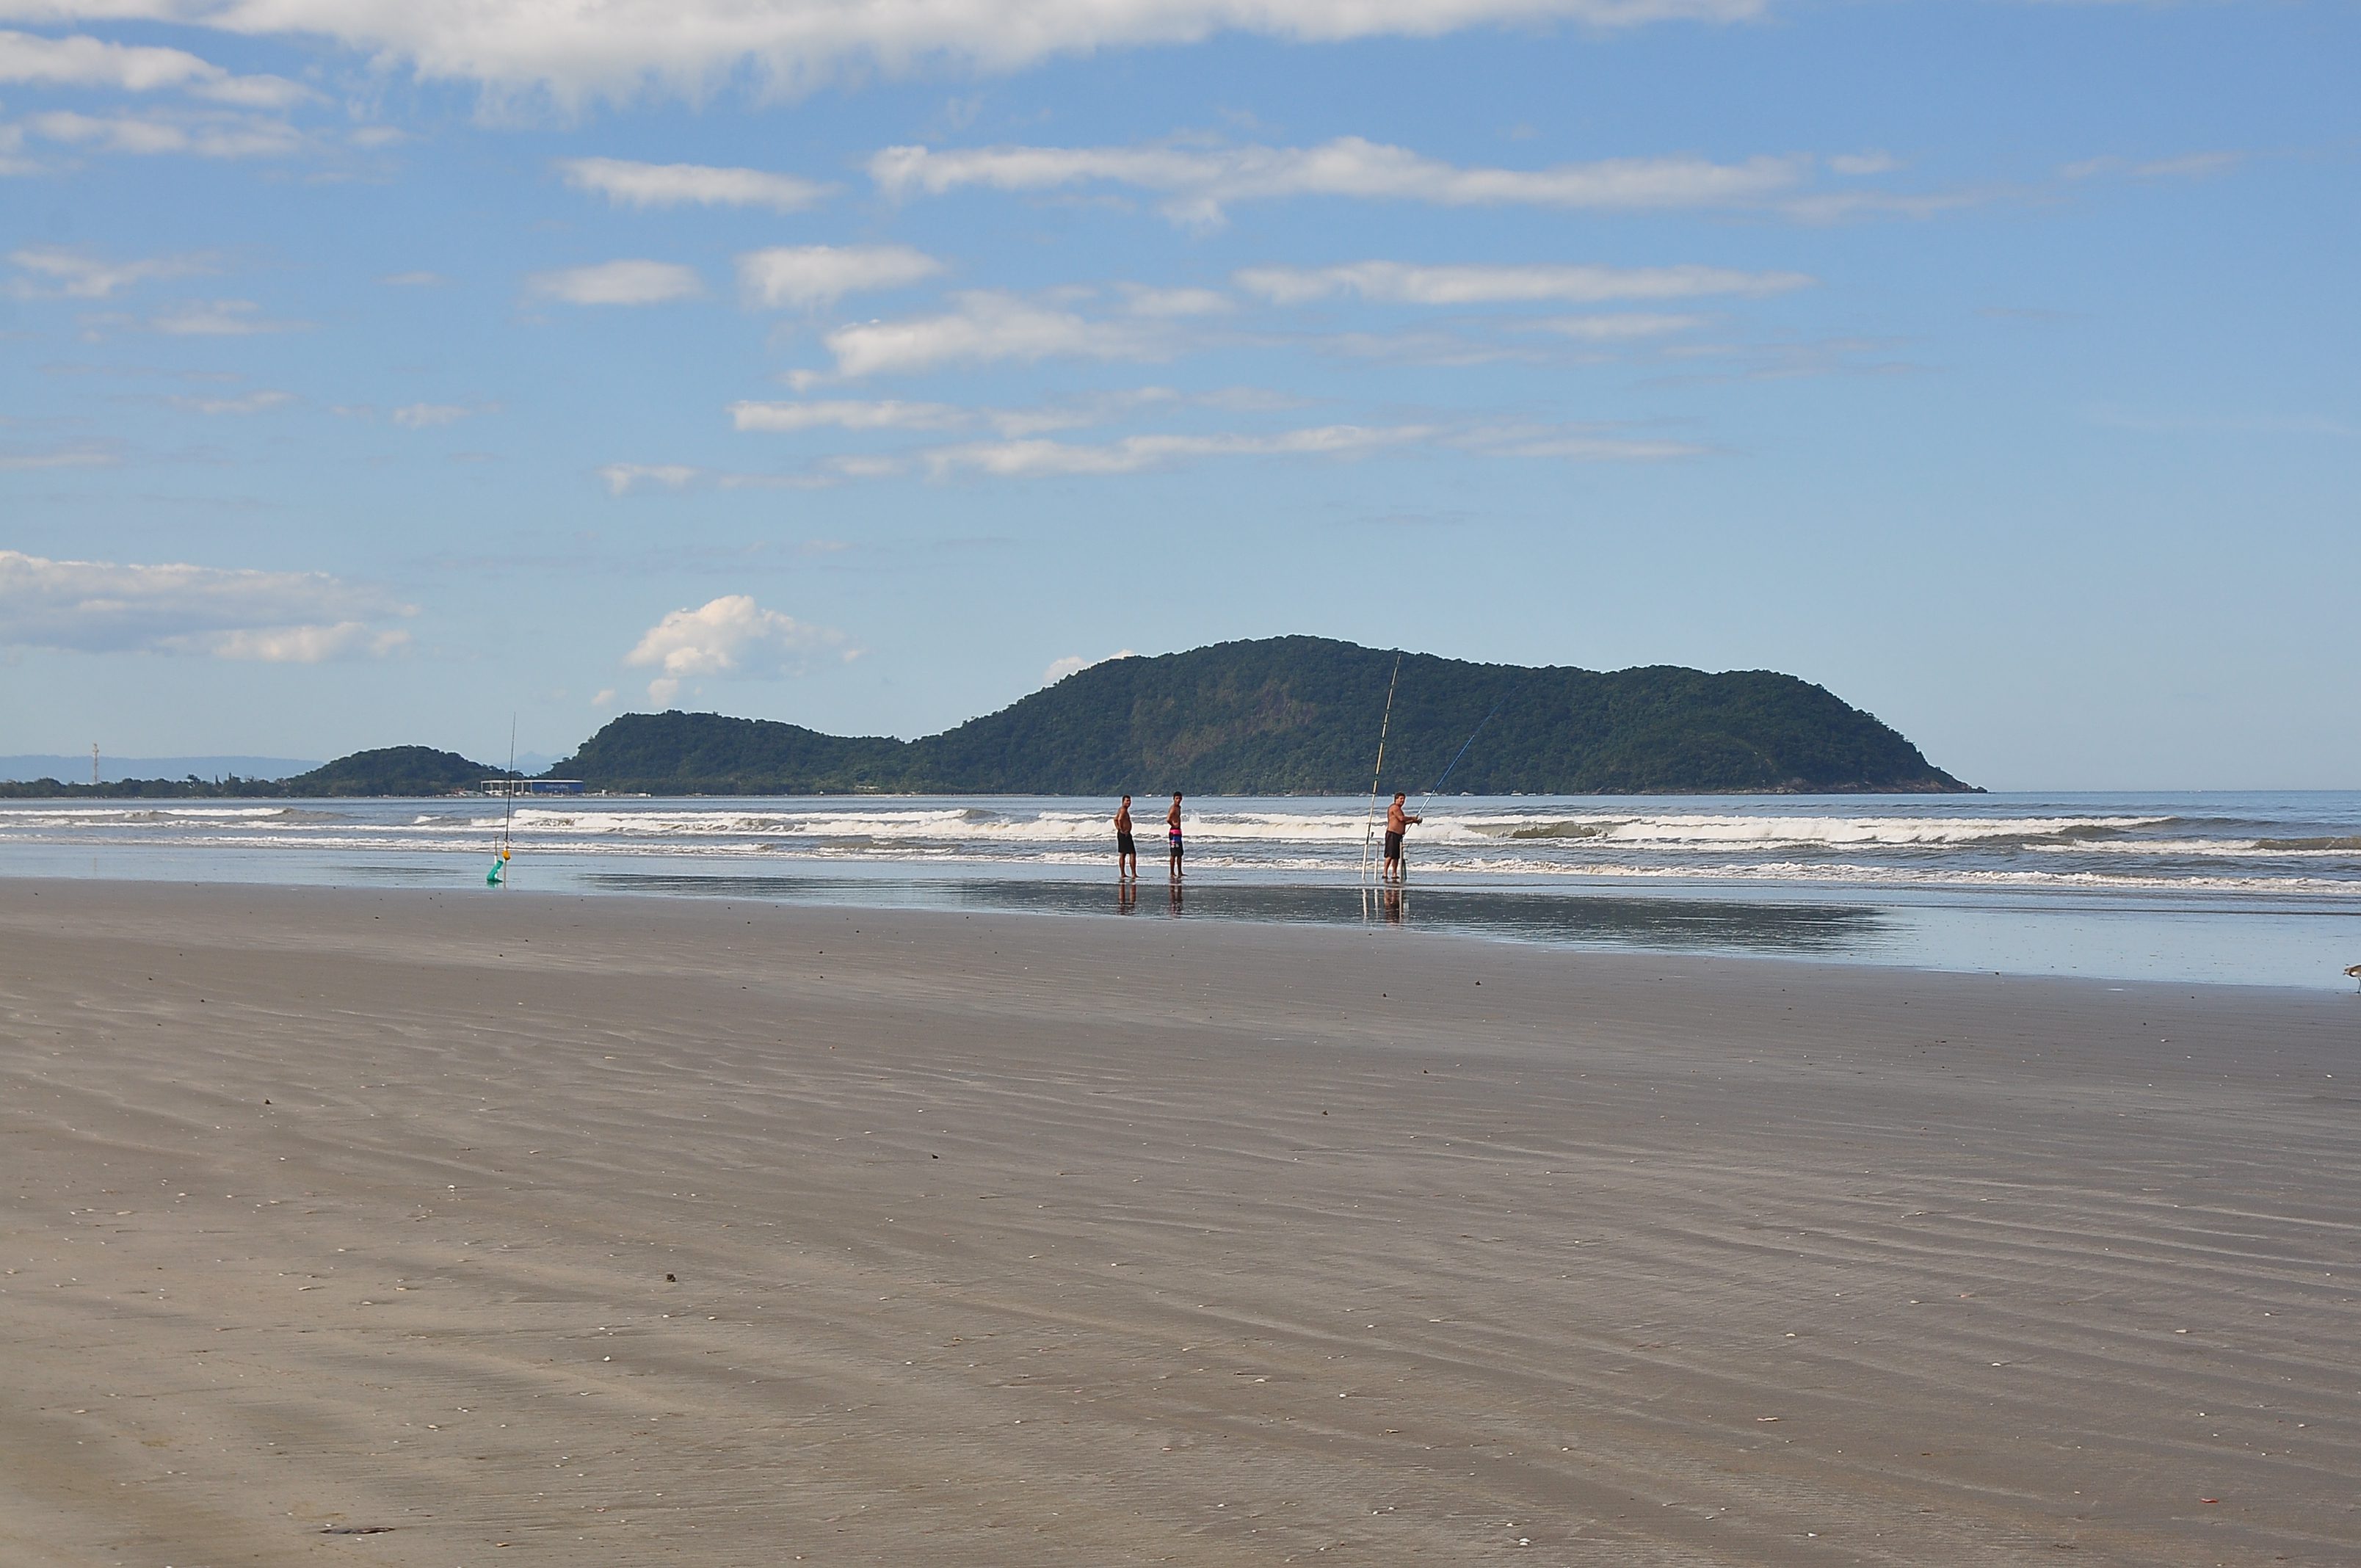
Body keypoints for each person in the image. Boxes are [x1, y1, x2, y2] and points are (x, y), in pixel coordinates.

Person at [1382, 791, 1421, 882]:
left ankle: (1394, 873)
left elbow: (1402, 822)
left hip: (1398, 835)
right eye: (1401, 799)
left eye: (1404, 799)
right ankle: (1385, 873)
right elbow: (1401, 818)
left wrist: (1413, 821)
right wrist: (1412, 817)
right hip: (1392, 834)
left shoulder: (1400, 810)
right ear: (1396, 799)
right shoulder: (1394, 808)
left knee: (1396, 856)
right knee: (1390, 855)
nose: (1402, 801)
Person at [1114, 794, 1137, 880]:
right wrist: (1122, 829)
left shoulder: (1122, 810)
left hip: (1123, 834)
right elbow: (1119, 819)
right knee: (1132, 853)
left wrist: (1119, 828)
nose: (1129, 802)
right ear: (1123, 801)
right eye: (1127, 801)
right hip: (1124, 834)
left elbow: (1115, 819)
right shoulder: (1123, 810)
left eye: (1130, 801)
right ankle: (1133, 874)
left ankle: (1123, 873)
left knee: (1123, 854)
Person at [1167, 791, 1185, 879]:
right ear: (1174, 799)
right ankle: (1172, 872)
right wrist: (1174, 825)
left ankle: (1180, 872)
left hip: (1178, 832)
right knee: (1174, 853)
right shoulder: (1173, 808)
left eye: (1180, 798)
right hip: (1174, 832)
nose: (1178, 800)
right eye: (1177, 798)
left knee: (1180, 853)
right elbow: (1168, 819)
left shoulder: (1179, 808)